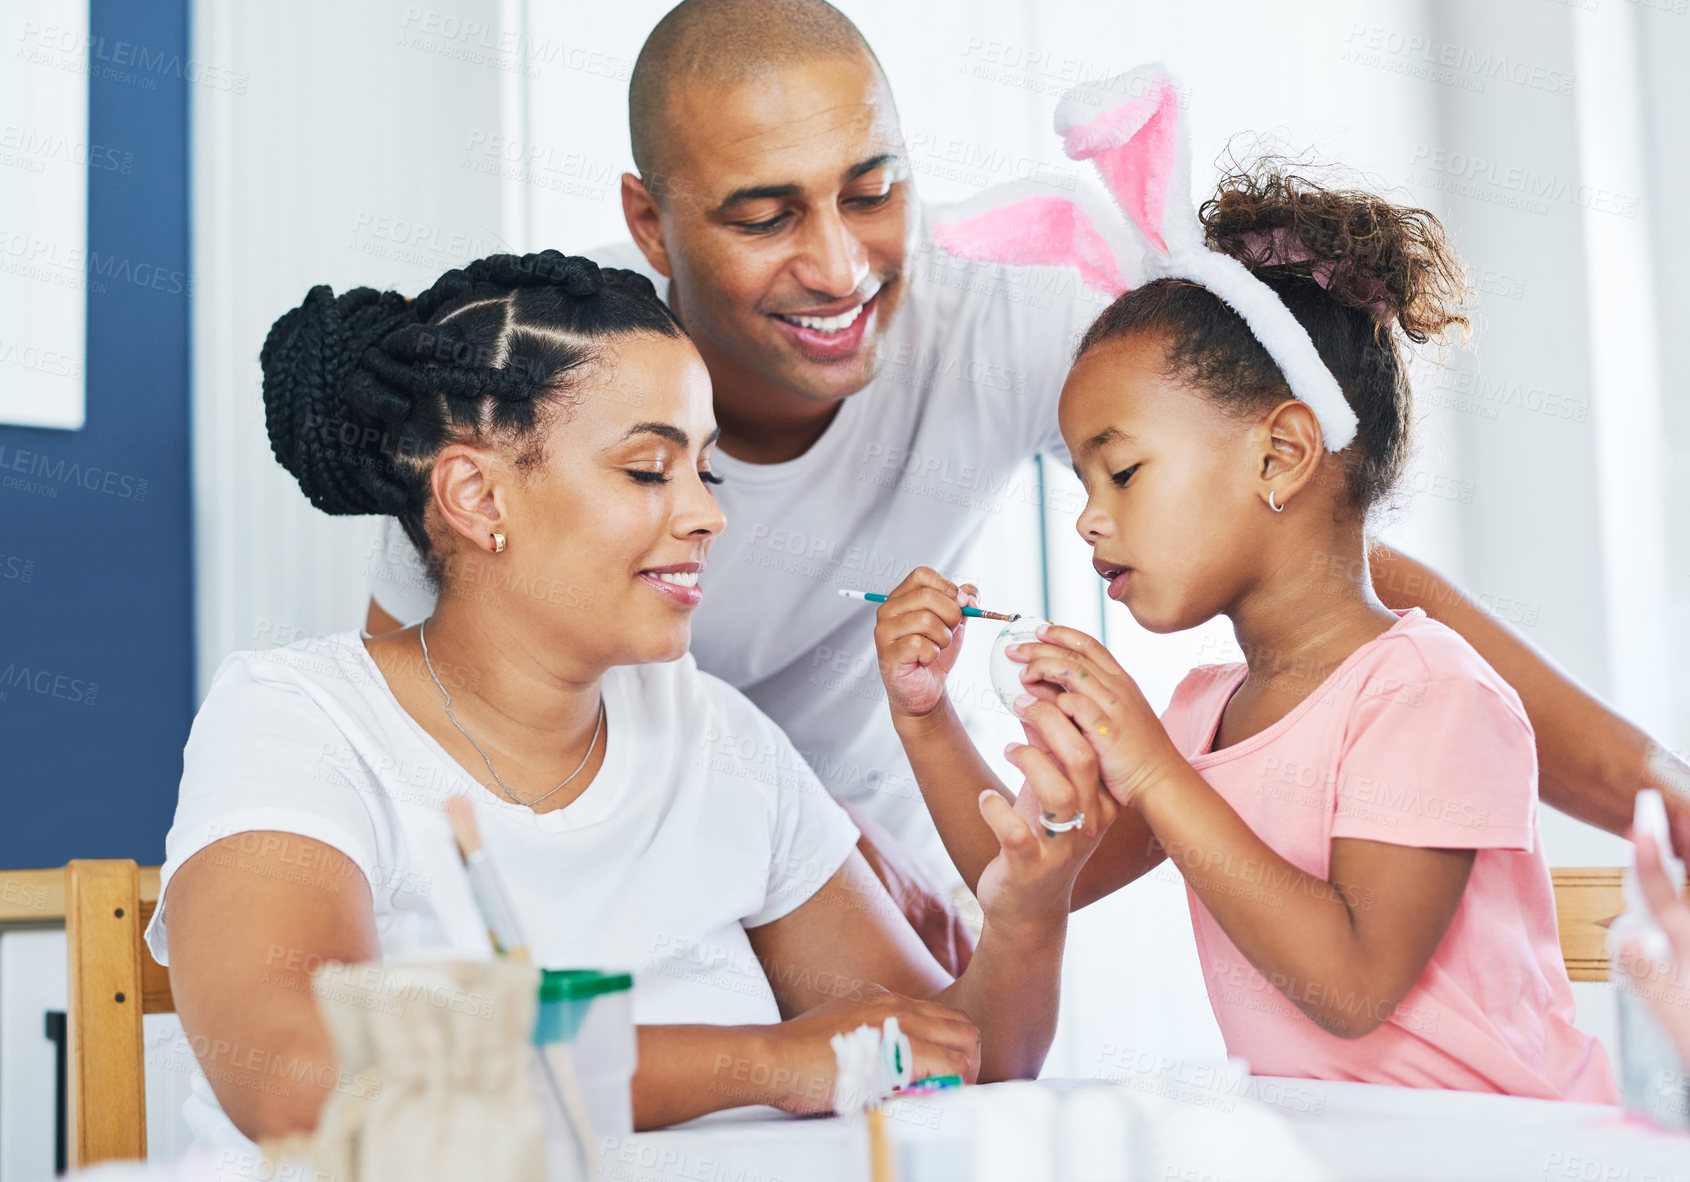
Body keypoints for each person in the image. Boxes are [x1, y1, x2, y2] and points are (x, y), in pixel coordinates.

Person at [365, 0, 1689, 936]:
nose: (838, 267)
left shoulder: (1007, 312)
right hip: (611, 891)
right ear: (648, 220)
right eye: (765, 216)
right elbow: (422, 742)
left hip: (893, 895)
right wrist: (779, 843)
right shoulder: (535, 405)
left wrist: (1659, 794)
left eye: (872, 188)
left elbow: (1321, 562)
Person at [150, 251, 1109, 1148]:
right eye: (650, 470)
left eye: (705, 467)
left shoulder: (715, 735)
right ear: (476, 497)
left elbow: (948, 1056)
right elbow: (292, 1070)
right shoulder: (298, 721)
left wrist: (1029, 913)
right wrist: (765, 1061)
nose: (707, 512)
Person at [874, 158, 1615, 1100]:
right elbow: (1018, 873)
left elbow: (1348, 987)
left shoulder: (1430, 692)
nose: (1089, 521)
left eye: (1125, 473)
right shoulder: (1202, 713)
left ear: (1282, 453)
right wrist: (925, 717)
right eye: (1081, 485)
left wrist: (1149, 767)